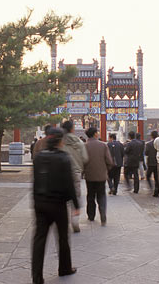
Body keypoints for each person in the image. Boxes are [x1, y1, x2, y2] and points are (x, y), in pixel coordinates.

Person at [32, 128, 79, 284]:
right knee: (63, 238)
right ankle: (64, 268)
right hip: (58, 204)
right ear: (60, 141)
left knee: (39, 239)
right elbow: (69, 184)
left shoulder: (38, 157)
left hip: (40, 203)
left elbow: (35, 181)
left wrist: (35, 201)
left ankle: (37, 276)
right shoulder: (63, 158)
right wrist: (75, 204)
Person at [61, 120, 89, 233]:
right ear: (72, 129)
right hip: (76, 172)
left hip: (62, 173)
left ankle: (63, 221)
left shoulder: (60, 142)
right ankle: (75, 221)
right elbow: (85, 158)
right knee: (76, 196)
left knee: (62, 198)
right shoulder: (79, 142)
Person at [83, 127, 114, 225]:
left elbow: (82, 161)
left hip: (89, 175)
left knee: (90, 195)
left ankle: (91, 216)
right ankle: (103, 214)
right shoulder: (103, 145)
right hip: (101, 175)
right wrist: (105, 170)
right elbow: (109, 161)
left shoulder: (84, 146)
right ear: (95, 134)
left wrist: (84, 171)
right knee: (101, 195)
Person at [145, 131, 159, 197]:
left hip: (151, 162)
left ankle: (151, 187)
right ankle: (157, 190)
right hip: (158, 162)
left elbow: (146, 153)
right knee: (157, 177)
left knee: (148, 176)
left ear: (151, 136)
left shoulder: (148, 144)